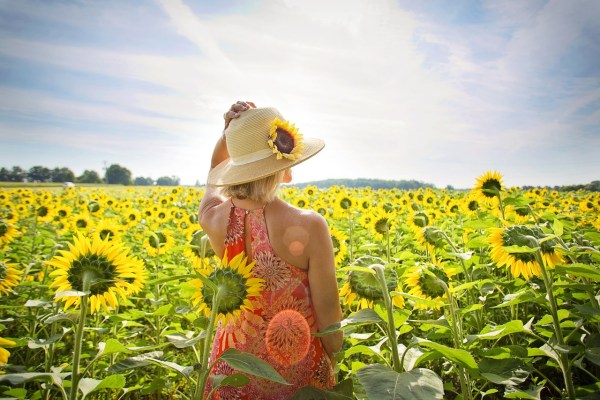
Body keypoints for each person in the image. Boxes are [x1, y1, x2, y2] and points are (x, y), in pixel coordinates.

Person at [198, 101, 343, 399]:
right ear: (283, 167)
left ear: (235, 168)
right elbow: (328, 311)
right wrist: (335, 361)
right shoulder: (310, 225)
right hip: (296, 370)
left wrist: (229, 135)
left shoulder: (213, 218)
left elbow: (213, 175)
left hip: (232, 370)